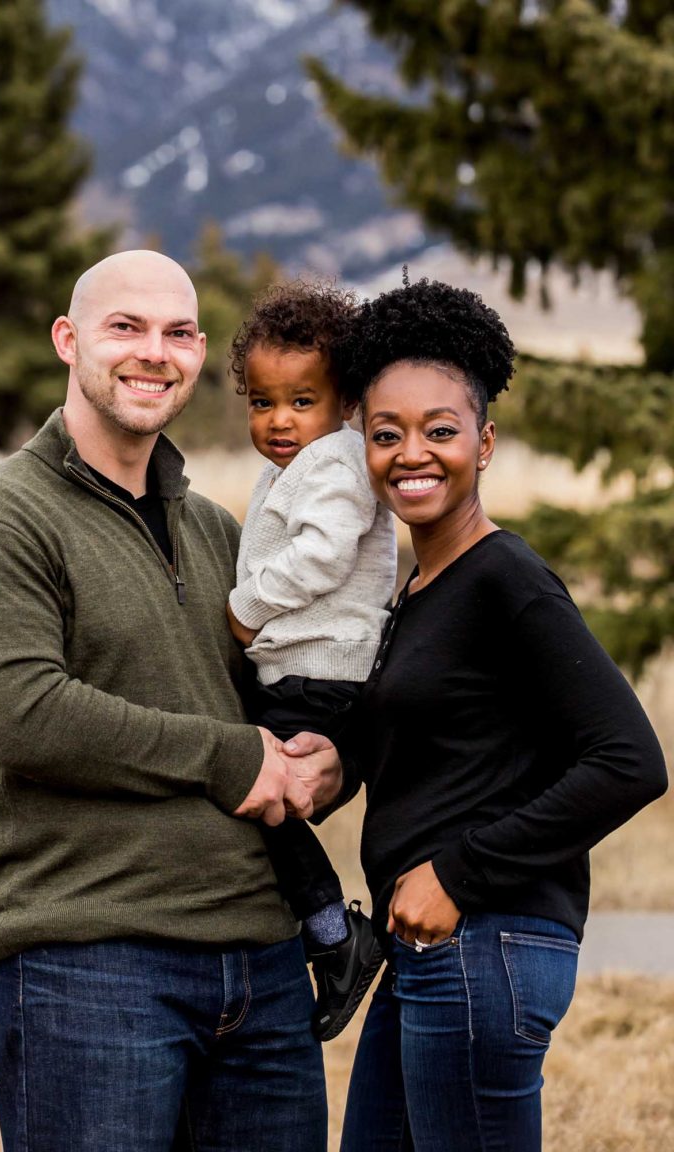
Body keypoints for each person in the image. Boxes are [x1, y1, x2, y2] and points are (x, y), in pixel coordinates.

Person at [0, 250, 342, 1152]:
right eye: (127, 327)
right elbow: (21, 713)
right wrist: (234, 758)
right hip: (91, 964)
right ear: (68, 341)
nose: (157, 352)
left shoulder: (216, 526)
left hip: (261, 968)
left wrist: (325, 757)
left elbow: (270, 702)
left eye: (180, 333)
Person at [296, 276, 667, 1151]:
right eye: (386, 434)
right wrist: (333, 761)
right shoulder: (424, 586)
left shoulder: (508, 581)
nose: (411, 453)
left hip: (483, 942)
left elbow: (630, 761)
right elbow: (443, 740)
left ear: (485, 443)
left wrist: (460, 872)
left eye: (440, 430)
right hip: (428, 950)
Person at [226, 281, 397, 1040]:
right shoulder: (296, 467)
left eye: (303, 400)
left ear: (347, 403)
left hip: (323, 670)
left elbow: (322, 555)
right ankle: (318, 931)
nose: (280, 420)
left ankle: (333, 933)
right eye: (264, 402)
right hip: (301, 665)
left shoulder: (337, 462)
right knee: (251, 786)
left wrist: (245, 608)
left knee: (252, 788)